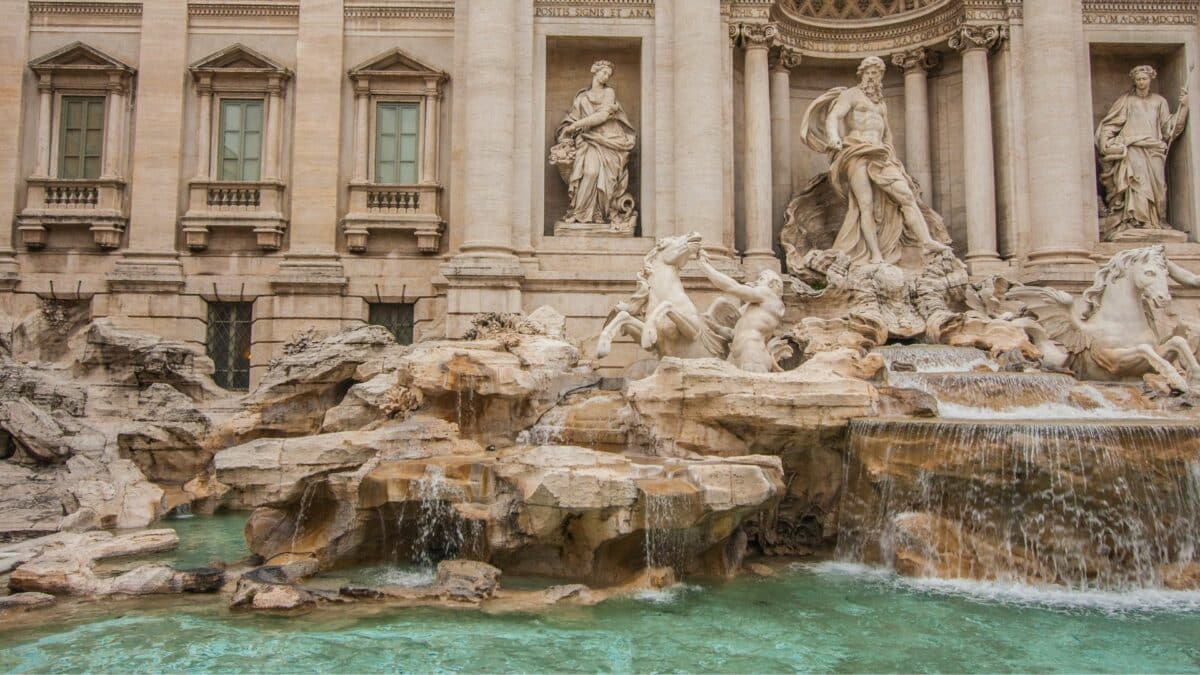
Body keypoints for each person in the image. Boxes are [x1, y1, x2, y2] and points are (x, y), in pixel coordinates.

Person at [800, 56, 951, 265]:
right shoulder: (851, 94)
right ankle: (875, 255)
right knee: (865, 205)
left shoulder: (881, 103)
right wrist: (834, 137)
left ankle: (926, 242)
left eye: (877, 73)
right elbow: (833, 117)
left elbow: (887, 133)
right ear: (862, 74)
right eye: (869, 73)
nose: (873, 77)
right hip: (856, 151)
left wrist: (892, 157)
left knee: (907, 196)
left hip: (881, 154)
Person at [1096, 65, 1189, 236]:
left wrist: (1183, 108)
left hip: (1154, 149)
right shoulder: (1126, 101)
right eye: (1138, 79)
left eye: (1144, 79)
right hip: (1134, 147)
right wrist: (1105, 142)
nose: (1141, 82)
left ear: (1151, 79)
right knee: (1138, 185)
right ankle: (1138, 222)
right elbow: (1111, 124)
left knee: (1159, 187)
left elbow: (1169, 128)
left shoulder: (1159, 101)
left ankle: (1157, 220)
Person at [552, 60, 637, 228]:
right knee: (590, 172)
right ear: (594, 71)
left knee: (604, 178)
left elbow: (602, 116)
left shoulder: (609, 92)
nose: (606, 76)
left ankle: (600, 213)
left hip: (608, 140)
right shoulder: (582, 97)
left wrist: (575, 126)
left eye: (608, 75)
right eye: (604, 72)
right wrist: (566, 130)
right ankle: (579, 213)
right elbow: (572, 118)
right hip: (587, 140)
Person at [697, 250, 785, 373]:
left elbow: (733, 287)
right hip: (736, 354)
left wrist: (706, 268)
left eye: (761, 279)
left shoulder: (769, 295)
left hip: (752, 352)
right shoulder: (754, 309)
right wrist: (714, 326)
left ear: (773, 284)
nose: (756, 282)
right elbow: (734, 334)